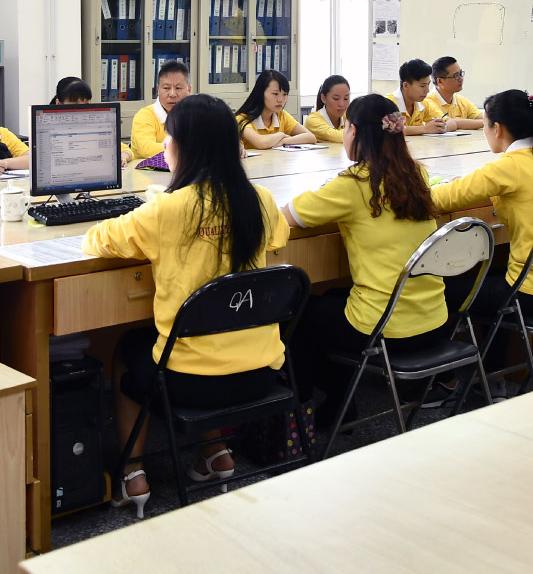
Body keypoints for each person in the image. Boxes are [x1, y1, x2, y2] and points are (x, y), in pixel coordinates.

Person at [84, 94, 290, 518]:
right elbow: (280, 238)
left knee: (126, 350)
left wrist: (154, 204)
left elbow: (97, 240)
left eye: (169, 138)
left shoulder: (167, 210)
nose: (164, 146)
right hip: (263, 374)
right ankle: (215, 452)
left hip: (189, 382)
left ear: (187, 148)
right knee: (212, 329)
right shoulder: (261, 201)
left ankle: (133, 473)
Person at [283, 94, 449, 427]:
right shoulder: (416, 175)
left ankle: (317, 410)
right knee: (331, 301)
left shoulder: (353, 184)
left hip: (385, 325)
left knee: (298, 318)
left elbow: (289, 215)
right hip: (434, 319)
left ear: (354, 131)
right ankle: (339, 402)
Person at [431, 90, 533, 331]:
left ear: (498, 129)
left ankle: (460, 365)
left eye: (485, 125)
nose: (484, 131)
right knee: (494, 274)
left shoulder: (508, 166)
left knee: (438, 292)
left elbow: (442, 199)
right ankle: (500, 364)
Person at [50, 76, 131, 165]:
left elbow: (125, 149)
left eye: (86, 104)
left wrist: (124, 156)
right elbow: (32, 157)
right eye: (75, 104)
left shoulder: (93, 128)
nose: (82, 110)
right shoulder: (48, 129)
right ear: (58, 103)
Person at [235, 70, 316, 149]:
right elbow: (261, 143)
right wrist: (281, 134)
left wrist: (285, 141)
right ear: (261, 93)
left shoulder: (281, 116)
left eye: (284, 94)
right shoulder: (242, 119)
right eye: (275, 94)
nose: (280, 100)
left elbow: (311, 137)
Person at [130, 59, 191, 159]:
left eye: (178, 88)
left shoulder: (195, 116)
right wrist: (189, 150)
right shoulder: (145, 116)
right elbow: (147, 149)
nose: (172, 94)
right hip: (147, 173)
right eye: (166, 88)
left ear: (189, 90)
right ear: (158, 89)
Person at [423, 57, 484, 130]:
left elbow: (484, 117)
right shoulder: (427, 101)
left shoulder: (462, 101)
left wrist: (487, 120)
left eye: (461, 74)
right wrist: (486, 122)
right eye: (456, 76)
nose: (461, 79)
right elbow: (449, 122)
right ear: (440, 81)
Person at [395, 60, 450, 135]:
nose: (427, 90)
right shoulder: (389, 103)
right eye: (422, 86)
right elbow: (390, 130)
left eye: (428, 84)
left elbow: (451, 122)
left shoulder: (423, 103)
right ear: (406, 85)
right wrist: (425, 129)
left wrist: (442, 127)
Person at [303, 75, 349, 144]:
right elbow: (340, 137)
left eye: (346, 98)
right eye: (336, 99)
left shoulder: (348, 116)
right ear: (324, 98)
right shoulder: (313, 120)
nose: (342, 104)